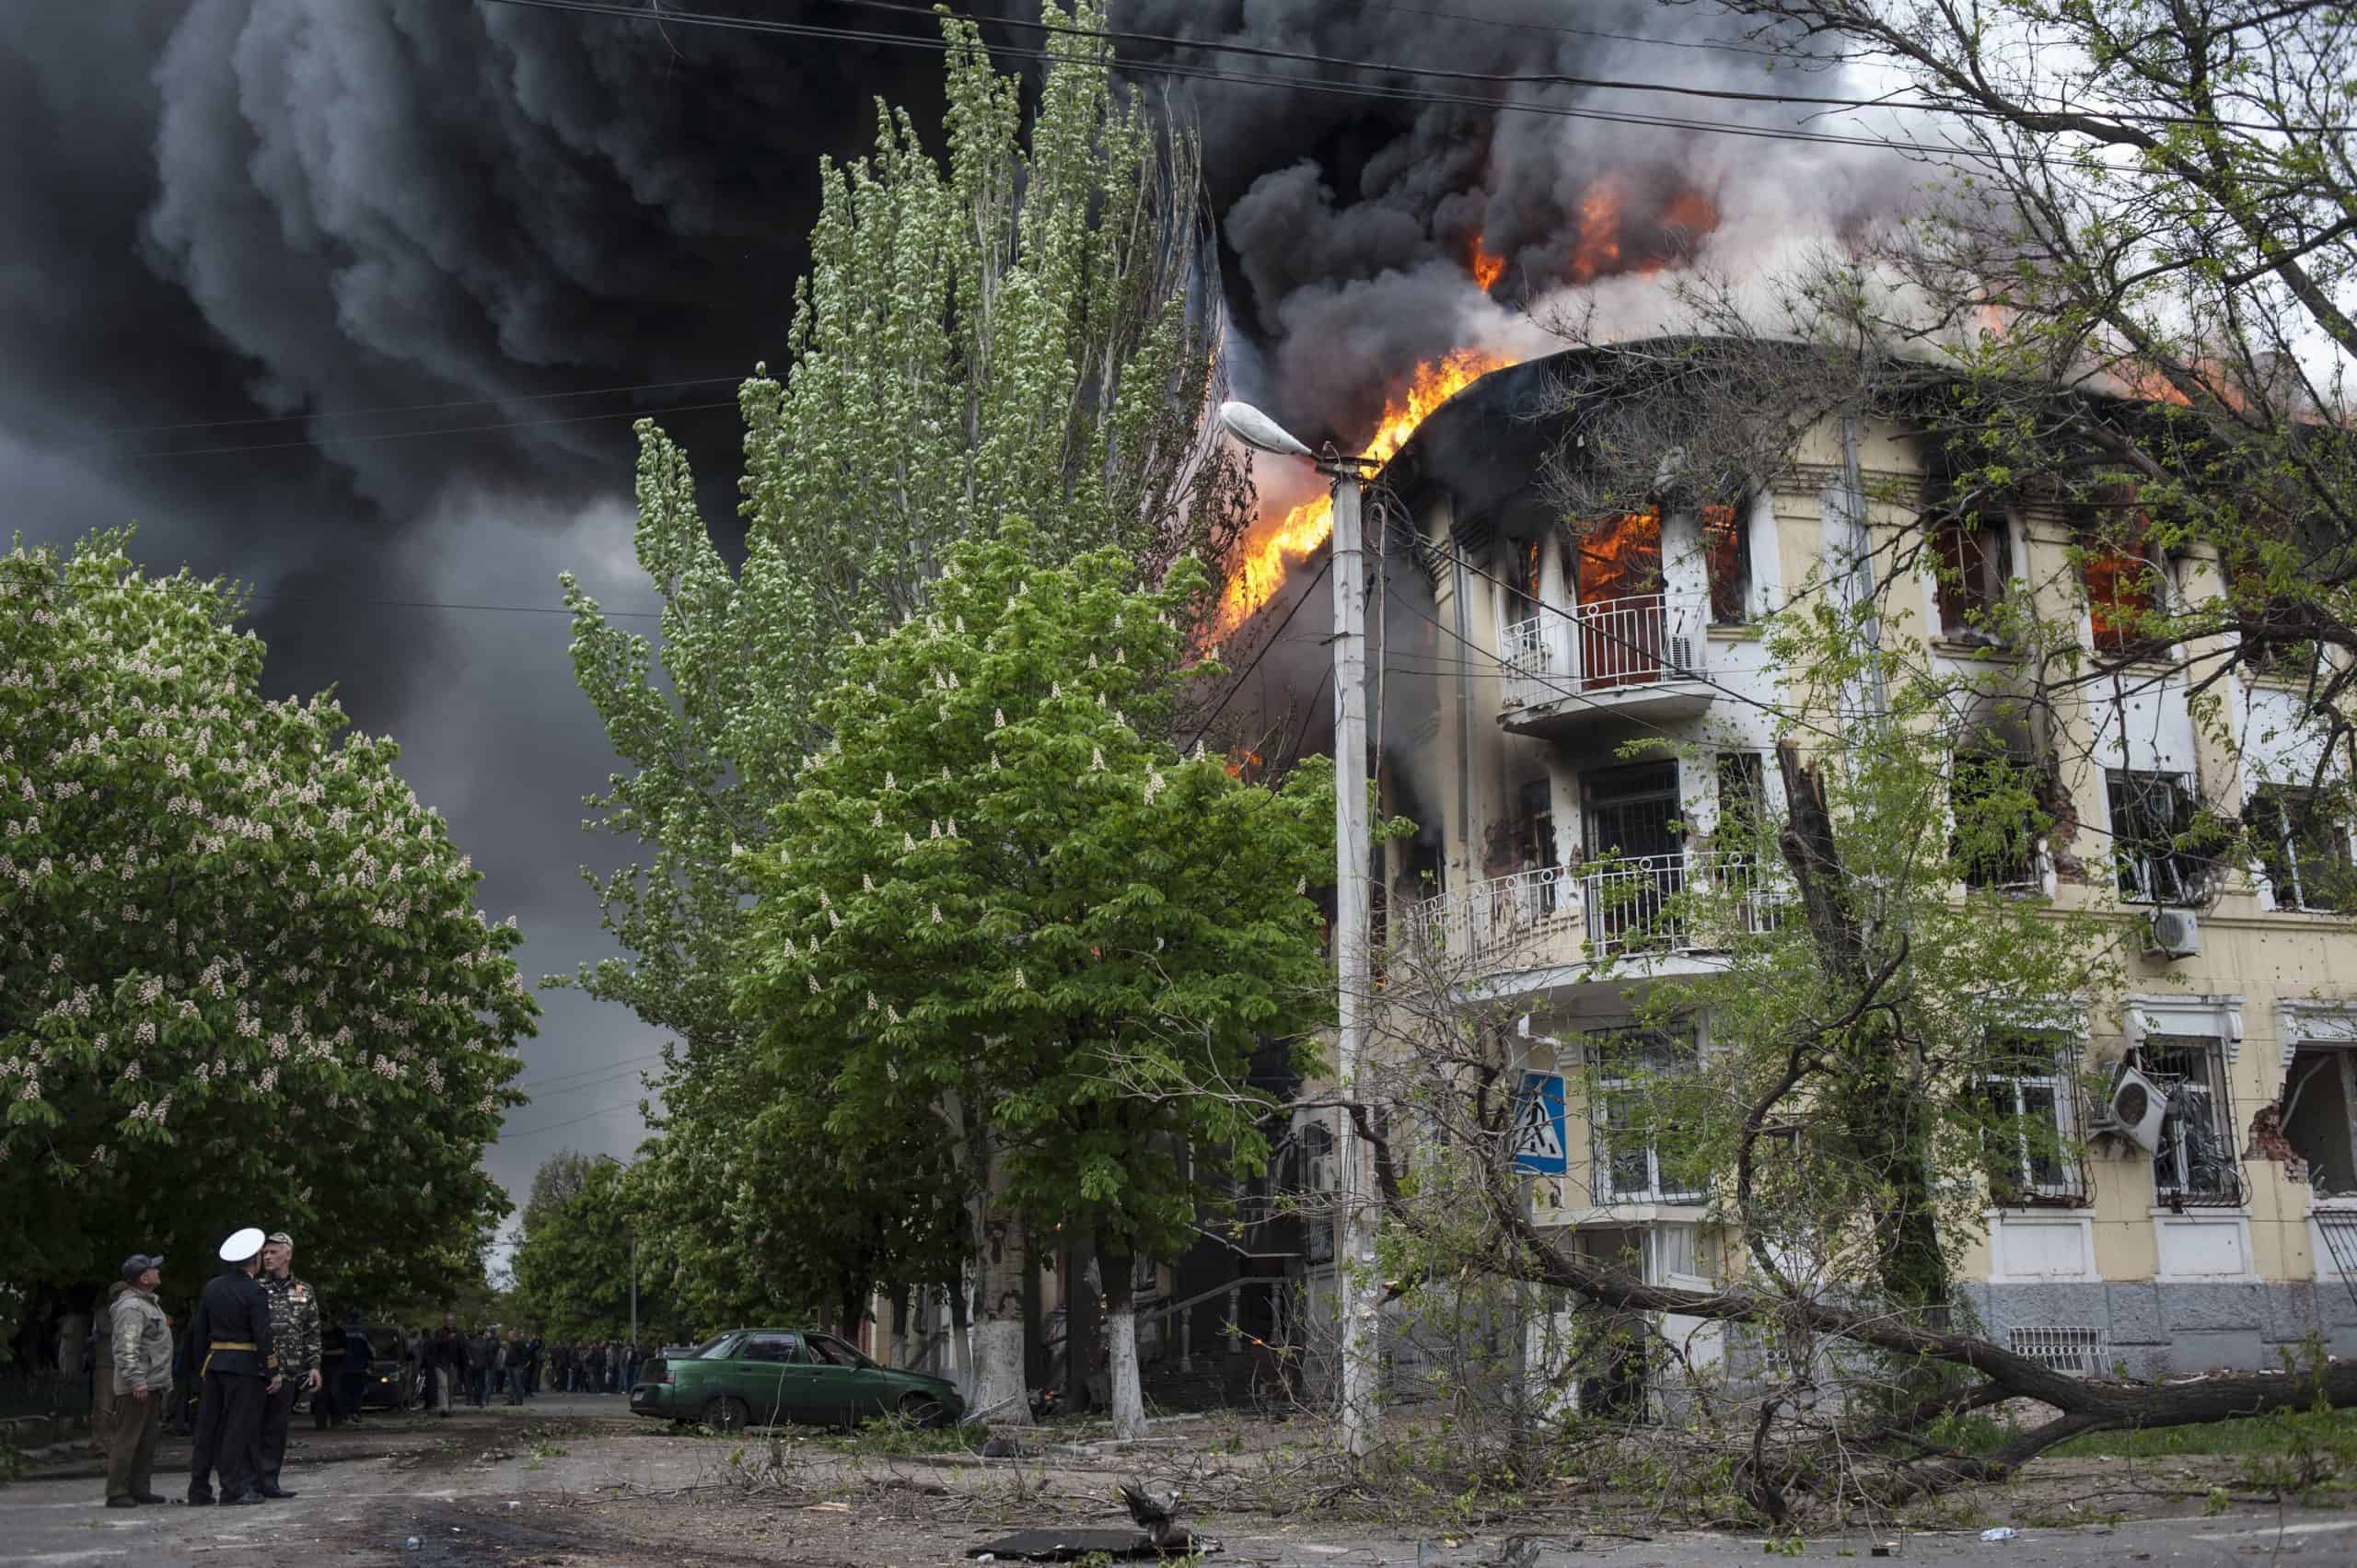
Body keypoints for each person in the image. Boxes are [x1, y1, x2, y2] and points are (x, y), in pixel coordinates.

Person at [187, 1226, 276, 1506]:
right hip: (244, 1367)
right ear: (255, 1260)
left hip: (214, 1365)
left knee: (207, 1428)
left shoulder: (212, 1287)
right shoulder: (255, 1292)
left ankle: (199, 1488)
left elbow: (199, 1331)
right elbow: (263, 1335)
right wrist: (272, 1370)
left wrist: (200, 1365)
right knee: (236, 1428)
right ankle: (233, 1488)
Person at [104, 1253, 172, 1508]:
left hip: (151, 1383)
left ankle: (140, 1488)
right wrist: (136, 1380)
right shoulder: (131, 1308)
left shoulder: (148, 1304)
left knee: (146, 1440)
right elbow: (127, 1346)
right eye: (154, 1269)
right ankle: (117, 1491)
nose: (158, 1271)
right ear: (144, 1278)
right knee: (128, 1438)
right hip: (138, 1385)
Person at [253, 1232, 319, 1498]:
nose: (267, 1256)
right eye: (264, 1252)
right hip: (258, 1372)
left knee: (277, 1429)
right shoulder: (256, 1287)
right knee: (252, 1428)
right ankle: (250, 1482)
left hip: (289, 1371)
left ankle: (270, 1482)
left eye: (273, 1251)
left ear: (287, 1254)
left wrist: (314, 1365)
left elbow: (311, 1331)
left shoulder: (303, 1290)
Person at [338, 1313, 372, 1424]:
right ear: (359, 1319)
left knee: (344, 1391)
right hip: (359, 1367)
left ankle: (345, 1414)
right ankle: (355, 1413)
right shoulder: (364, 1330)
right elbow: (370, 1350)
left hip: (343, 1366)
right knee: (357, 1392)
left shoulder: (341, 1329)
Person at [431, 1313, 465, 1417]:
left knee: (450, 1387)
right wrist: (447, 1339)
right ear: (445, 1321)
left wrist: (464, 1363)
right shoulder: (439, 1332)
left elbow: (462, 1348)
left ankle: (448, 1407)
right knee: (443, 1386)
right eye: (448, 1320)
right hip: (441, 1363)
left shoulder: (458, 1332)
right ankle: (444, 1409)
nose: (450, 1322)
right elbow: (435, 1344)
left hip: (453, 1364)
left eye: (451, 1320)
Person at [467, 1324, 496, 1408]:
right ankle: (479, 1401)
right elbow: (490, 1356)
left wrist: (470, 1360)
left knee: (472, 1383)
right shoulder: (486, 1343)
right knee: (480, 1384)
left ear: (477, 1333)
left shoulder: (471, 1342)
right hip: (482, 1366)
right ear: (483, 1334)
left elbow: (468, 1353)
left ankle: (471, 1399)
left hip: (473, 1366)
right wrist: (487, 1363)